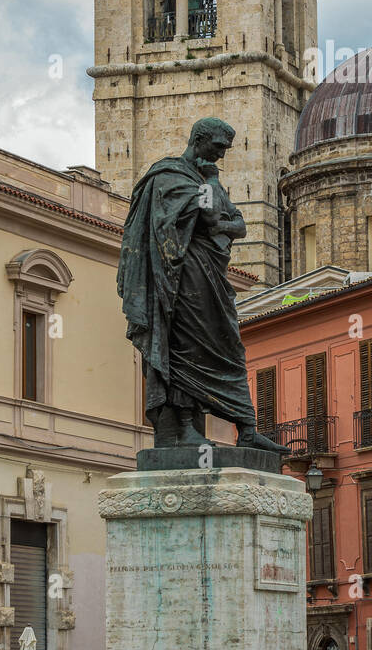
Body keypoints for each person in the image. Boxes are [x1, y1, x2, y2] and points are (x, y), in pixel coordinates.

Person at [117, 116, 287, 453]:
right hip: (181, 279)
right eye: (219, 147)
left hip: (212, 277)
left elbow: (240, 226)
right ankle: (184, 427)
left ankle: (248, 428)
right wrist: (213, 195)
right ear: (199, 139)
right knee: (185, 349)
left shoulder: (205, 180)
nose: (222, 155)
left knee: (230, 347)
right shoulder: (169, 177)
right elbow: (211, 217)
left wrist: (217, 208)